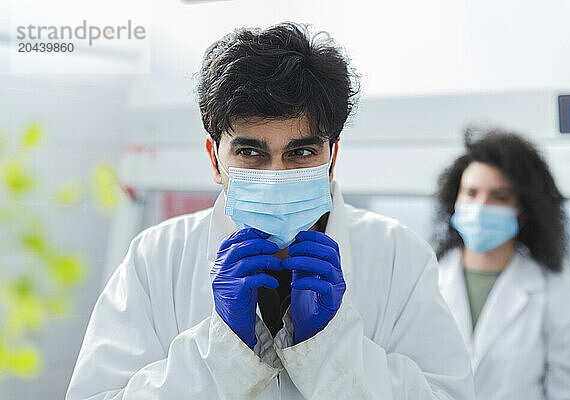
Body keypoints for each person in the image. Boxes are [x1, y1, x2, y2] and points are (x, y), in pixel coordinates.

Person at [66, 22, 474, 399]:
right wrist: (222, 348)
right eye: (250, 152)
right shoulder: (157, 257)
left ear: (331, 159)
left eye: (300, 152)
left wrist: (331, 347)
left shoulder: (398, 255)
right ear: (214, 159)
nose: (276, 173)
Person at [434, 128, 570, 399]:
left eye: (499, 196)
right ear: (454, 200)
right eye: (471, 193)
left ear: (523, 212)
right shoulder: (424, 282)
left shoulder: (557, 300)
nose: (481, 206)